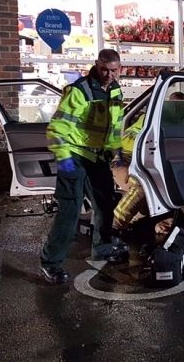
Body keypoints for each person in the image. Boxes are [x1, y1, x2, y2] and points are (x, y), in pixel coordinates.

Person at [40, 48, 125, 284]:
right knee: (69, 213)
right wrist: (63, 157)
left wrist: (113, 150)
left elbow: (115, 125)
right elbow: (58, 128)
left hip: (97, 158)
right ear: (96, 65)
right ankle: (51, 262)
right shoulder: (79, 91)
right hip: (75, 157)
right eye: (104, 70)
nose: (109, 75)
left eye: (114, 70)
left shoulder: (116, 89)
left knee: (105, 206)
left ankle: (103, 250)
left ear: (120, 68)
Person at [111, 91, 184, 237]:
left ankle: (134, 226)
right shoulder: (149, 119)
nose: (178, 110)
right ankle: (115, 226)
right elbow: (127, 142)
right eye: (174, 107)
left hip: (153, 166)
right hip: (128, 161)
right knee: (142, 185)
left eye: (181, 107)